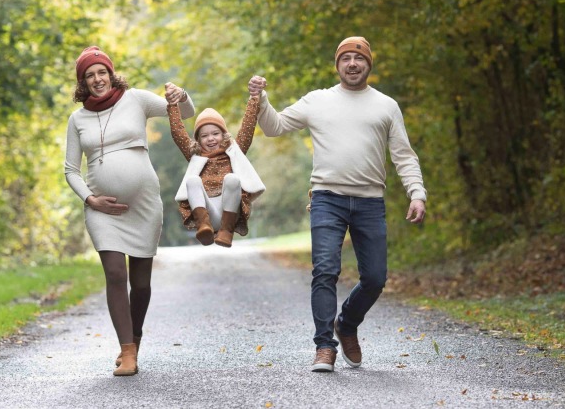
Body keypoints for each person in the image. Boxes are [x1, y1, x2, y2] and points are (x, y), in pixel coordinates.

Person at [248, 36, 427, 373]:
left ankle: (345, 324)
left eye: (358, 59)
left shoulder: (386, 105)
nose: (352, 64)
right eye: (345, 59)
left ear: (368, 65)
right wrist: (261, 99)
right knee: (325, 271)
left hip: (370, 201)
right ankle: (324, 346)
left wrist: (417, 192)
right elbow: (274, 127)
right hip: (327, 199)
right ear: (338, 64)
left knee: (375, 278)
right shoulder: (318, 101)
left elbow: (403, 155)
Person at [64, 45, 195, 376]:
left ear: (110, 73)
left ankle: (134, 340)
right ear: (83, 82)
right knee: (114, 274)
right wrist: (89, 199)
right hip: (102, 209)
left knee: (141, 283)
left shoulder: (136, 99)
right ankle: (127, 352)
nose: (97, 79)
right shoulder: (77, 119)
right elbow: (70, 170)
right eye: (89, 75)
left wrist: (183, 94)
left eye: (101, 72)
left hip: (143, 203)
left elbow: (185, 112)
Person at [167, 89, 265, 248]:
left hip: (230, 210)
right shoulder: (195, 156)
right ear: (198, 139)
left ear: (224, 135)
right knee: (192, 181)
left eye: (215, 133)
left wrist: (255, 97)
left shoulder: (234, 151)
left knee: (232, 179)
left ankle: (226, 232)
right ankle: (204, 227)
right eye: (204, 136)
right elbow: (177, 132)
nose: (210, 139)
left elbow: (248, 126)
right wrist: (172, 105)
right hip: (207, 212)